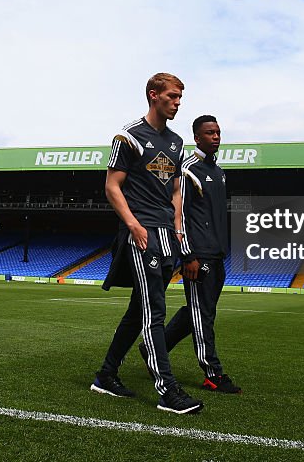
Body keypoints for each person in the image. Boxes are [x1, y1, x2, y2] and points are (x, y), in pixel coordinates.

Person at [91, 72, 203, 415]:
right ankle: (167, 390)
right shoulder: (128, 137)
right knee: (155, 309)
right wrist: (134, 225)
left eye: (180, 98)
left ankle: (106, 375)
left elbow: (173, 192)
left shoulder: (176, 142)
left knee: (139, 309)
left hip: (167, 235)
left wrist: (179, 230)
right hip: (141, 233)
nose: (177, 103)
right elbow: (112, 187)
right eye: (172, 96)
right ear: (153, 95)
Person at [160, 115, 240, 394]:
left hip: (217, 255)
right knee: (202, 314)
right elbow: (178, 214)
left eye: (218, 132)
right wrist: (188, 256)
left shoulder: (219, 171)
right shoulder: (187, 170)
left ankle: (153, 349)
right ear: (197, 137)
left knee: (199, 311)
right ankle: (213, 373)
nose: (216, 136)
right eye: (210, 133)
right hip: (197, 257)